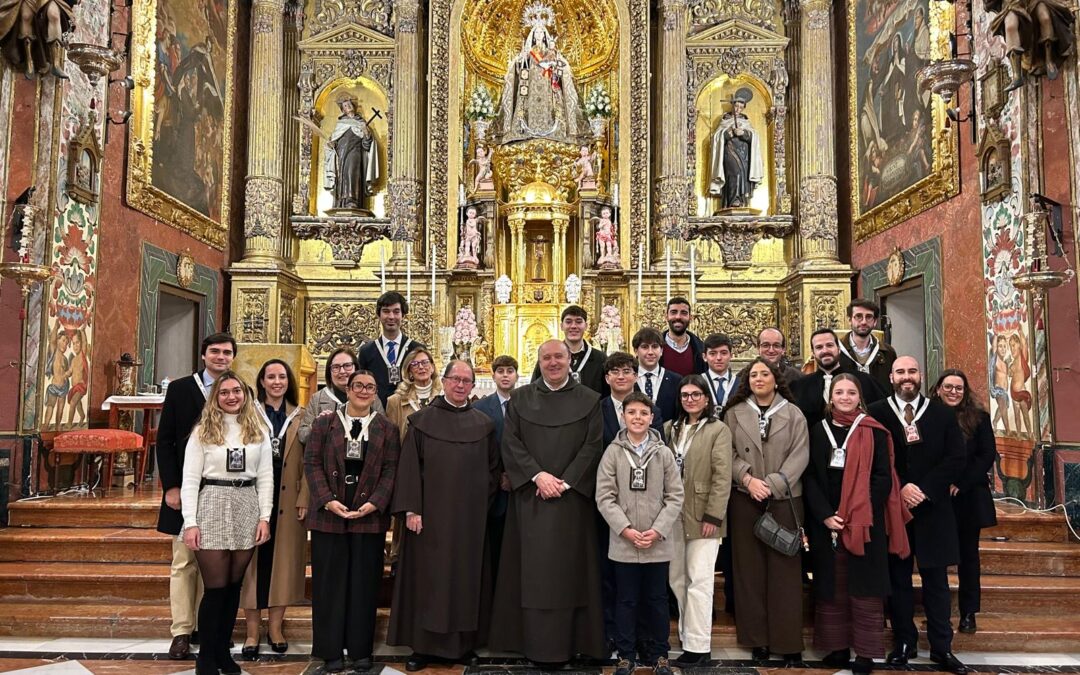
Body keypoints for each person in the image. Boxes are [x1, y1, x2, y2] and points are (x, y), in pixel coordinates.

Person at [489, 339, 606, 664]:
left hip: (572, 503)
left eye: (559, 356)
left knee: (570, 573)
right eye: (546, 358)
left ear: (570, 359)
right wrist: (538, 476)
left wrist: (566, 481)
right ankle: (528, 642)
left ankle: (574, 642)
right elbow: (510, 443)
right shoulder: (521, 398)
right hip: (531, 499)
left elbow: (593, 445)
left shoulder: (589, 399)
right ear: (538, 362)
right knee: (531, 573)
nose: (553, 362)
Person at [389, 360, 500, 670]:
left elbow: (494, 470)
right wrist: (413, 508)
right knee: (428, 581)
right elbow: (410, 466)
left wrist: (480, 503)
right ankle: (423, 648)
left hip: (469, 520)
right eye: (456, 379)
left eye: (467, 380)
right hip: (429, 520)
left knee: (465, 580)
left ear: (472, 385)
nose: (461, 385)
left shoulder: (483, 424)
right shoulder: (422, 421)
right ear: (445, 381)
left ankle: (463, 646)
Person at [804, 374, 911, 675]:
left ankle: (865, 653)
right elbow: (810, 475)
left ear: (859, 396)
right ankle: (837, 649)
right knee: (832, 585)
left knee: (865, 588)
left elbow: (882, 478)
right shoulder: (819, 430)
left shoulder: (873, 430)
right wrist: (826, 514)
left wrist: (856, 511)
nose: (845, 397)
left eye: (851, 392)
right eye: (839, 392)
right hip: (828, 522)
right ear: (831, 396)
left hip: (865, 522)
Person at [867, 357, 968, 674]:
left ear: (921, 376)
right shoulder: (877, 411)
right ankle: (904, 643)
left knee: (936, 581)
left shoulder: (941, 413)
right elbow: (873, 459)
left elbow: (956, 458)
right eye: (900, 372)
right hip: (894, 509)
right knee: (897, 579)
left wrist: (923, 490)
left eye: (912, 371)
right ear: (892, 377)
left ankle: (942, 648)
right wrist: (899, 490)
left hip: (933, 509)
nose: (906, 377)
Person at [304, 370, 400, 674]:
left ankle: (361, 650)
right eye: (358, 385)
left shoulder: (387, 428)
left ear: (376, 393)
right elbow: (312, 463)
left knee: (364, 584)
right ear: (348, 388)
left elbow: (390, 470)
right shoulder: (324, 423)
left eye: (370, 387)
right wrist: (327, 500)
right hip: (328, 514)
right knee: (329, 584)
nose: (363, 391)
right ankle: (330, 649)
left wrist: (374, 504)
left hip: (368, 516)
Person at [180, 371, 274, 675]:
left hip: (246, 503)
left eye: (236, 391)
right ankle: (205, 657)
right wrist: (190, 522)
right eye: (224, 393)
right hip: (212, 503)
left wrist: (265, 517)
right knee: (216, 588)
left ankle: (222, 653)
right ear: (215, 398)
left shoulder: (258, 428)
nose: (231, 397)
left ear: (245, 394)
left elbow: (266, 477)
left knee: (234, 587)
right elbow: (190, 480)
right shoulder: (203, 431)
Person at [723, 357, 809, 666]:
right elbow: (726, 453)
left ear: (776, 378)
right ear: (747, 380)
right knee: (749, 573)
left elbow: (800, 455)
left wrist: (771, 484)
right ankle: (757, 640)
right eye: (754, 374)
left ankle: (788, 642)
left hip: (784, 498)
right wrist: (747, 479)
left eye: (765, 373)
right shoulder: (733, 413)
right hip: (745, 499)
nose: (759, 378)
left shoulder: (793, 413)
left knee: (785, 573)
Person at [157, 332, 236, 660]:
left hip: (222, 490)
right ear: (203, 355)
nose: (221, 357)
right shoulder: (180, 389)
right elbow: (164, 441)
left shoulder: (236, 390)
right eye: (215, 352)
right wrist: (171, 486)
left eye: (227, 352)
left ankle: (208, 625)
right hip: (187, 490)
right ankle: (181, 630)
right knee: (185, 561)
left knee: (215, 561)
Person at [596, 392, 684, 675]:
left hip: (656, 543)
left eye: (643, 413)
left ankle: (660, 655)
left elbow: (675, 496)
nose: (637, 418)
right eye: (632, 412)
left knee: (657, 600)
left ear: (651, 418)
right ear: (623, 416)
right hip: (624, 542)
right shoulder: (612, 452)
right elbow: (605, 497)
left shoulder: (663, 453)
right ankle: (626, 655)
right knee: (626, 600)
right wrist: (627, 530)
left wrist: (657, 530)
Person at [239, 359, 308, 660]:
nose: (277, 381)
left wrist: (304, 496)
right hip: (253, 496)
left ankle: (276, 628)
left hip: (289, 496)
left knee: (283, 564)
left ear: (288, 381)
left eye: (282, 376)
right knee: (253, 563)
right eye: (271, 377)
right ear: (262, 382)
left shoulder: (301, 415)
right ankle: (252, 631)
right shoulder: (247, 415)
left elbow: (311, 461)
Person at [598, 351, 664, 649]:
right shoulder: (596, 409)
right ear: (607, 377)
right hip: (612, 508)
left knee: (653, 591)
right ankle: (616, 635)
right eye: (615, 371)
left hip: (650, 516)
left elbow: (668, 481)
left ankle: (647, 640)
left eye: (627, 370)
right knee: (614, 579)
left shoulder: (651, 411)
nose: (621, 376)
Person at [665, 375, 732, 666]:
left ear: (706, 399)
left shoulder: (718, 430)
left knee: (700, 581)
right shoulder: (670, 429)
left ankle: (699, 646)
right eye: (685, 395)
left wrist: (714, 515)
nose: (690, 399)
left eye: (695, 394)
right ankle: (686, 639)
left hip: (704, 515)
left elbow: (722, 476)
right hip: (673, 515)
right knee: (677, 579)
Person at [930, 369, 998, 635]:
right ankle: (940, 613)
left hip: (968, 495)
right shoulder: (929, 416)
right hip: (937, 496)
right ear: (938, 389)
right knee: (937, 558)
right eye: (948, 387)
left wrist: (962, 483)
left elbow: (986, 455)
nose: (953, 392)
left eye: (959, 388)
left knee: (968, 557)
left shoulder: (979, 418)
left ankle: (969, 613)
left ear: (965, 391)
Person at [473, 354, 519, 578]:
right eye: (501, 371)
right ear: (493, 376)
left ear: (517, 376)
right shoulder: (481, 406)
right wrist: (499, 474)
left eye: (510, 371)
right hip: (493, 485)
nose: (505, 375)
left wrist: (515, 474)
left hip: (520, 485)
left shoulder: (526, 403)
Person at [793, 328, 885, 429]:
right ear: (813, 353)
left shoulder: (864, 380)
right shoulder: (799, 387)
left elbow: (883, 414)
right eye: (819, 347)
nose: (825, 350)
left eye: (829, 345)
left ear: (839, 349)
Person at [299, 347, 384, 445]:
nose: (342, 371)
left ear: (356, 368)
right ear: (329, 371)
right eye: (336, 367)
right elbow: (302, 436)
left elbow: (384, 430)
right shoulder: (317, 399)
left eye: (347, 366)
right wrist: (316, 425)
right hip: (328, 458)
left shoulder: (370, 395)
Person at [358, 291, 427, 406]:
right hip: (376, 411)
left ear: (403, 315)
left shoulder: (417, 349)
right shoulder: (366, 351)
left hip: (409, 410)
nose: (391, 317)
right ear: (379, 315)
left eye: (396, 312)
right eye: (386, 311)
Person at [531, 305, 608, 395]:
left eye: (578, 322)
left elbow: (607, 393)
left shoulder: (600, 358)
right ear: (561, 326)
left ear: (586, 326)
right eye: (568, 322)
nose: (573, 326)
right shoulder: (548, 357)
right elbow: (535, 390)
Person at [838, 299, 897, 393]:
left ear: (875, 322)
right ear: (849, 320)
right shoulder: (836, 351)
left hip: (879, 406)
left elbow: (893, 386)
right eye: (858, 316)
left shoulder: (888, 352)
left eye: (869, 317)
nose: (864, 322)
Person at [384, 348, 442, 440]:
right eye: (415, 364)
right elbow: (391, 440)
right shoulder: (395, 401)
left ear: (432, 368)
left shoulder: (444, 395)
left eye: (425, 362)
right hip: (408, 452)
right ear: (409, 372)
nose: (421, 367)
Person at [634, 328, 682, 423]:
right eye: (645, 347)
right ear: (636, 351)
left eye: (655, 347)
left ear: (661, 351)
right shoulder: (628, 379)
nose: (650, 352)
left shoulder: (676, 380)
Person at [659, 298, 706, 377]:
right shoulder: (655, 347)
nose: (678, 317)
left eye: (684, 313)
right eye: (673, 312)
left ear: (690, 317)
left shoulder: (701, 348)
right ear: (666, 316)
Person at [702, 333, 738, 414]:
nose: (718, 358)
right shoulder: (697, 382)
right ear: (704, 357)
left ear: (731, 356)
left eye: (724, 353)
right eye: (712, 353)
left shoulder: (740, 384)